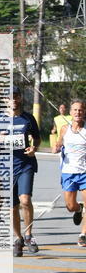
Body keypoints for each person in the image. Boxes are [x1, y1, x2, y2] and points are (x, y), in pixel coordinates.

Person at [10, 87, 41, 257]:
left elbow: (37, 138)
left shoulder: (28, 118)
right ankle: (18, 238)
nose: (13, 100)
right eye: (9, 97)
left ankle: (29, 235)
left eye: (15, 96)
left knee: (25, 200)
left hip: (25, 165)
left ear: (20, 98)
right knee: (12, 206)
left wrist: (34, 148)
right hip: (5, 167)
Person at [53, 99, 86, 247]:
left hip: (84, 172)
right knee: (70, 205)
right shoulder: (65, 128)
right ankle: (78, 209)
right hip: (69, 172)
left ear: (84, 112)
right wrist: (58, 146)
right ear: (70, 112)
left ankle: (83, 234)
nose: (78, 112)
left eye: (80, 110)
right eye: (75, 110)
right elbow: (59, 142)